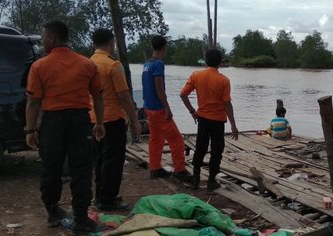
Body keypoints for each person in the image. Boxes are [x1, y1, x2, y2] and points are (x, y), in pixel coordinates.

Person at [25, 20, 105, 234]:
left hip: (53, 122)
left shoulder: (40, 66)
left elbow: (33, 102)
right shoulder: (87, 64)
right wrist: (98, 123)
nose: (42, 41)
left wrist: (30, 130)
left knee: (51, 167)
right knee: (81, 169)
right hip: (80, 121)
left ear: (52, 38)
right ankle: (81, 219)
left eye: (43, 38)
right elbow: (97, 98)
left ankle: (53, 212)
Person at [90, 28, 141, 211]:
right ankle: (108, 199)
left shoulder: (89, 62)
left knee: (100, 159)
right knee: (113, 161)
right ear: (111, 42)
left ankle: (100, 196)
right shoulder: (113, 65)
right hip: (112, 119)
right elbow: (124, 96)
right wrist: (135, 121)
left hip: (94, 119)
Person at [180, 49, 238, 191]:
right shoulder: (224, 80)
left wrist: (192, 111)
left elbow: (183, 94)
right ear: (220, 62)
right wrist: (233, 125)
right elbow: (227, 104)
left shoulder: (196, 75)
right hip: (218, 121)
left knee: (200, 148)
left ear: (206, 61)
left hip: (202, 119)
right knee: (217, 150)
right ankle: (211, 181)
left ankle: (196, 179)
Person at [141, 35, 192, 180]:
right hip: (158, 109)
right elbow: (159, 88)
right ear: (164, 48)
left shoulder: (146, 64)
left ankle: (155, 168)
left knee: (155, 139)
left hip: (148, 107)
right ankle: (180, 170)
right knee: (176, 140)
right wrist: (167, 108)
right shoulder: (158, 64)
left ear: (152, 47)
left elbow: (147, 87)